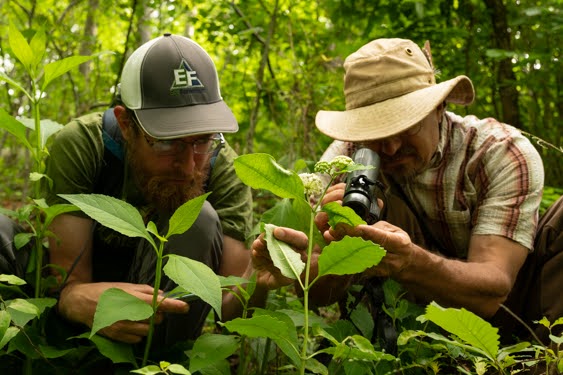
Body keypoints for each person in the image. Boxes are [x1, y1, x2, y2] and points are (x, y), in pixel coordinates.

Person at [251, 38, 563, 346]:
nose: (391, 146)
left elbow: (494, 290)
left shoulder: (498, 153)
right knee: (358, 200)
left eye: (406, 126)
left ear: (439, 108)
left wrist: (409, 261)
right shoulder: (344, 161)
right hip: (409, 322)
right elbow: (318, 295)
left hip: (520, 308)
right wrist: (317, 256)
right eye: (375, 133)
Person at [0, 33, 268, 349]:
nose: (188, 166)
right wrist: (70, 298)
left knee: (200, 218)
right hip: (79, 305)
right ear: (126, 124)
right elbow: (69, 283)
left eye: (202, 140)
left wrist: (260, 278)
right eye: (166, 141)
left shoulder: (226, 168)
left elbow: (229, 307)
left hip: (161, 314)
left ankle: (159, 362)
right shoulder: (84, 145)